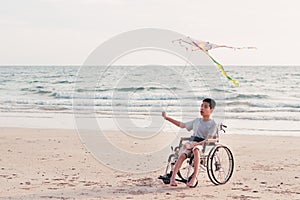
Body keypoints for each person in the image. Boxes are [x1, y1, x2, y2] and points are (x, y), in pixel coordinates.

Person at [162, 98, 217, 187]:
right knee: (183, 154)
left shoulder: (212, 124)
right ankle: (172, 177)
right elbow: (182, 125)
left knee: (196, 150)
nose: (202, 108)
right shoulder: (196, 121)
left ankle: (194, 177)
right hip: (192, 143)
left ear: (211, 110)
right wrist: (167, 118)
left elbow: (209, 139)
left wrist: (196, 144)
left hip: (203, 145)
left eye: (205, 107)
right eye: (201, 106)